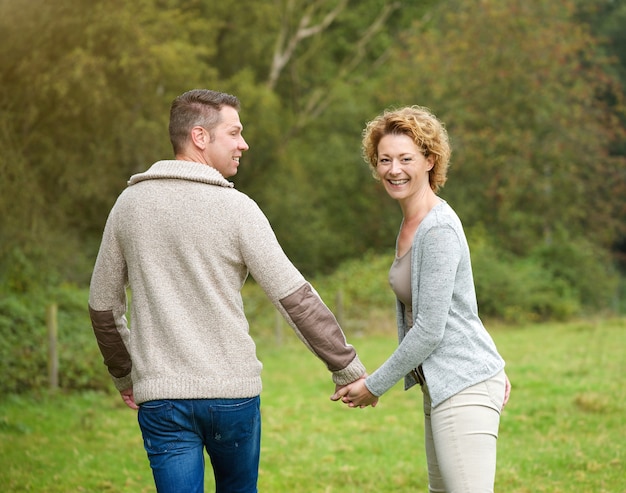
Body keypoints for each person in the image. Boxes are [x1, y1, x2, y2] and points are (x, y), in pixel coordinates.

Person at [88, 88, 366, 493]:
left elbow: (102, 306)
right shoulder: (238, 209)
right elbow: (294, 297)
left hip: (161, 398)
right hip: (232, 397)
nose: (243, 144)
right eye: (234, 133)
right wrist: (346, 368)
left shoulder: (129, 206)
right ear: (200, 136)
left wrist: (126, 375)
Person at [331, 106, 511, 492]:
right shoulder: (412, 223)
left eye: (406, 159)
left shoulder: (438, 228)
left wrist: (374, 385)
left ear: (430, 160)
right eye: (385, 160)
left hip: (463, 384)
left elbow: (430, 328)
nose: (394, 169)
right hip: (445, 383)